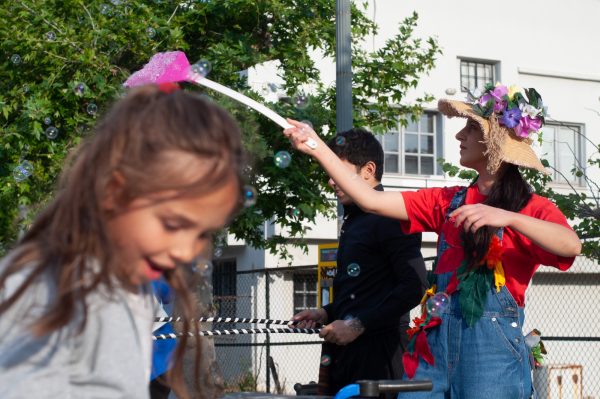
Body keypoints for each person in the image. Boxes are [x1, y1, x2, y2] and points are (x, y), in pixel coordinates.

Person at [283, 83, 581, 398]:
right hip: (433, 348)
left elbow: (570, 245)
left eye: (469, 128)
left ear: (496, 142)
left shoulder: (530, 207)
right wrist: (315, 145)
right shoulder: (448, 201)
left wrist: (509, 218)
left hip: (492, 355)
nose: (458, 136)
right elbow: (369, 200)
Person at [0, 84, 245, 399]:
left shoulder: (125, 283)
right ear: (116, 193)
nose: (186, 251)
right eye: (173, 224)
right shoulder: (52, 294)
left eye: (200, 233)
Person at [293, 128, 428, 395]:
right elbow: (364, 289)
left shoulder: (392, 215)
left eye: (339, 170)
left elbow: (414, 286)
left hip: (379, 357)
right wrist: (327, 312)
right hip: (346, 355)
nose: (332, 181)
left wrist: (357, 324)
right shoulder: (354, 218)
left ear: (368, 170)